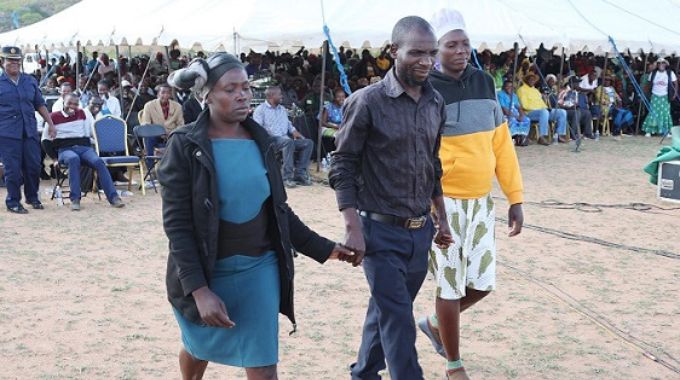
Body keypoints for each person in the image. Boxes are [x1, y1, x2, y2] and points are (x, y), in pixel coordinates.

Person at [157, 53, 353, 380]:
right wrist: (199, 290)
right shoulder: (185, 145)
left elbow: (278, 211)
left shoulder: (262, 142)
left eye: (246, 87)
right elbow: (177, 226)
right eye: (230, 89)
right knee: (198, 344)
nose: (242, 95)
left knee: (263, 364)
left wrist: (324, 248)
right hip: (206, 269)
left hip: (259, 269)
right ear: (206, 96)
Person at [330, 16, 450, 380]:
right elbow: (342, 165)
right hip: (377, 233)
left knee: (386, 309)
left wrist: (441, 219)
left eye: (431, 53)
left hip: (419, 233)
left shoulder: (435, 102)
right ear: (394, 51)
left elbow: (433, 164)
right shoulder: (366, 102)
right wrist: (352, 227)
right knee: (399, 319)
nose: (426, 61)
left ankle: (364, 373)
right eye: (417, 52)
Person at [418, 10, 524, 380]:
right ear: (436, 50)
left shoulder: (485, 83)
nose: (461, 51)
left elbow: (502, 145)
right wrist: (432, 206)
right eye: (451, 45)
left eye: (465, 43)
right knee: (449, 283)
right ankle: (453, 363)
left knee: (481, 283)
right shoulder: (426, 89)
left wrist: (515, 198)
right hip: (441, 204)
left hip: (482, 203)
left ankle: (434, 324)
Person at [0, 46, 55, 213]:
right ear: (2, 62)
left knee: (33, 166)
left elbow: (39, 104)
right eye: (10, 60)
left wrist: (51, 123)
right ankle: (13, 202)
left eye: (17, 60)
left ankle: (32, 197)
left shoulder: (29, 81)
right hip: (8, 133)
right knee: (13, 170)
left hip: (29, 131)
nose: (14, 63)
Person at [47, 93, 125, 211]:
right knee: (73, 159)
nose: (72, 106)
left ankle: (114, 197)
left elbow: (89, 132)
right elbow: (45, 141)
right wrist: (54, 159)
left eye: (76, 104)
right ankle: (75, 199)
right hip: (65, 150)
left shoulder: (82, 114)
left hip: (84, 148)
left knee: (98, 162)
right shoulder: (53, 116)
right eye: (69, 103)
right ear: (63, 102)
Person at [253, 86, 314, 188]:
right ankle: (287, 177)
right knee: (288, 142)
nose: (282, 96)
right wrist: (272, 137)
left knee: (308, 143)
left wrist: (295, 132)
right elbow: (258, 130)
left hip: (285, 140)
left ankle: (299, 173)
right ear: (272, 96)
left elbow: (289, 125)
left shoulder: (281, 109)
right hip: (270, 140)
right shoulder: (260, 110)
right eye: (279, 94)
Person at [517, 73, 568, 145]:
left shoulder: (536, 90)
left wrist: (547, 108)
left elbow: (542, 104)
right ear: (526, 80)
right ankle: (542, 136)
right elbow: (524, 105)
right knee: (544, 112)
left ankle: (559, 135)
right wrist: (541, 109)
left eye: (533, 80)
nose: (532, 81)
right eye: (530, 80)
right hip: (529, 113)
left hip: (542, 112)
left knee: (562, 112)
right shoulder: (521, 90)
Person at [643, 57, 677, 137]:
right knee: (653, 113)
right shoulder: (653, 73)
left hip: (665, 96)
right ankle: (649, 130)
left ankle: (666, 131)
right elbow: (648, 84)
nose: (661, 64)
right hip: (655, 96)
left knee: (665, 113)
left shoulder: (670, 73)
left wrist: (675, 94)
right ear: (657, 65)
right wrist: (645, 93)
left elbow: (676, 83)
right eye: (659, 63)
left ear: (665, 64)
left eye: (663, 63)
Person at [497, 80, 531, 146]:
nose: (509, 88)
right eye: (507, 86)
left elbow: (519, 107)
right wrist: (516, 117)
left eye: (511, 86)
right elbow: (504, 109)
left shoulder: (514, 95)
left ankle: (522, 137)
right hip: (505, 114)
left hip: (515, 114)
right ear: (504, 87)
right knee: (512, 120)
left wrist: (521, 115)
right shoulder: (500, 94)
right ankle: (512, 138)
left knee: (526, 119)